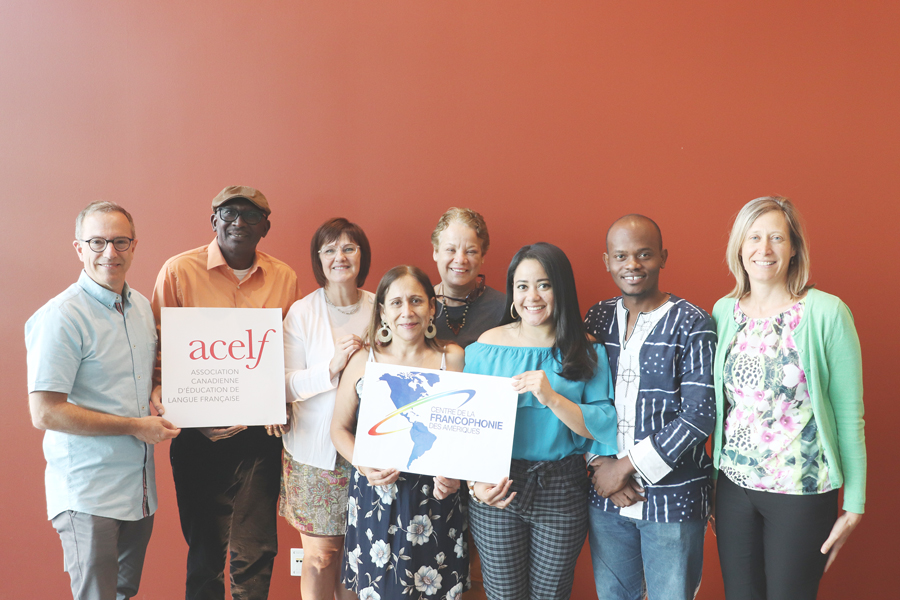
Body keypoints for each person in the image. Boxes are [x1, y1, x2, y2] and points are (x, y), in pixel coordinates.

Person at [151, 185, 301, 600]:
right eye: (229, 213)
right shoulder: (178, 271)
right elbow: (157, 347)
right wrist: (161, 391)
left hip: (258, 436)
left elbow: (288, 352)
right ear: (213, 219)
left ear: (265, 227)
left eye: (252, 216)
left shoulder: (284, 278)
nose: (239, 222)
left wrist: (279, 398)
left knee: (257, 550)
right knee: (204, 552)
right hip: (196, 435)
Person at [712, 196, 866, 600]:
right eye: (754, 238)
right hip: (733, 487)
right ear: (739, 247)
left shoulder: (827, 313)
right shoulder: (724, 312)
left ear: (794, 247)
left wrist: (855, 503)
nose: (764, 250)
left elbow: (850, 414)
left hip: (801, 491)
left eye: (776, 238)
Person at [26, 201, 180, 600]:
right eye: (97, 242)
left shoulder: (142, 308)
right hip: (88, 494)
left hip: (139, 490)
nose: (109, 252)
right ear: (79, 248)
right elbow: (45, 412)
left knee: (122, 593)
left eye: (119, 241)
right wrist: (135, 426)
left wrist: (155, 393)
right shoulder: (61, 316)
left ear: (134, 245)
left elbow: (131, 382)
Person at [464, 242, 617, 600]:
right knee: (503, 595)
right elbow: (465, 428)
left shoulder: (587, 350)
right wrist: (475, 484)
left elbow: (601, 426)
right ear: (512, 293)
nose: (532, 296)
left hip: (562, 487)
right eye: (522, 286)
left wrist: (552, 397)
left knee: (552, 595)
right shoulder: (487, 347)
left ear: (561, 288)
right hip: (498, 484)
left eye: (544, 284)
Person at [584, 215, 716, 600]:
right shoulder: (597, 318)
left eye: (644, 254)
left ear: (663, 257)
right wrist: (598, 466)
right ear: (606, 261)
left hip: (673, 500)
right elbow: (579, 399)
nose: (632, 265)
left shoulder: (693, 323)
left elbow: (699, 415)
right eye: (621, 255)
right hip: (606, 497)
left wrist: (624, 468)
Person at [330, 266, 470, 600]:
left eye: (416, 301)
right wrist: (363, 464)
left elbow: (466, 434)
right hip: (377, 495)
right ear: (382, 312)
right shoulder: (364, 360)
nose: (407, 311)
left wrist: (456, 475)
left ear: (432, 307)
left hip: (436, 499)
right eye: (395, 303)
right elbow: (338, 429)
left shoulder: (452, 358)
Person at [280, 218, 375, 600]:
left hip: (369, 451)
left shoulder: (381, 307)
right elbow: (284, 385)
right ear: (318, 260)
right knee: (320, 557)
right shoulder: (301, 313)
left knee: (361, 554)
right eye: (330, 249)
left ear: (362, 256)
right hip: (314, 457)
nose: (340, 257)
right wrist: (331, 368)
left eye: (349, 248)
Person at [431, 208, 506, 348]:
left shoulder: (505, 309)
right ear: (435, 252)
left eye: (471, 251)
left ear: (482, 256)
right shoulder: (416, 307)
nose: (460, 260)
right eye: (451, 250)